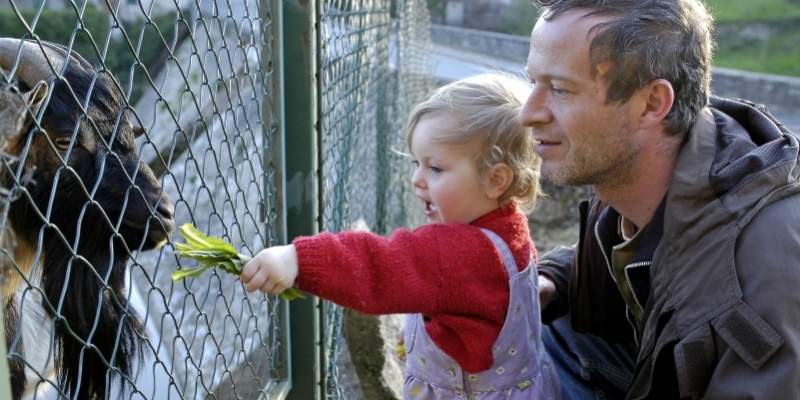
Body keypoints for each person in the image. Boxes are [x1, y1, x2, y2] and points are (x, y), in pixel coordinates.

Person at [521, 0, 800, 399]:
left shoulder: (767, 261)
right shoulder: (633, 174)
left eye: (560, 89)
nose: (528, 113)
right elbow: (647, 257)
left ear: (652, 103)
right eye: (533, 81)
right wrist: (552, 280)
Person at [241, 73, 560, 399]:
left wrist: (298, 259)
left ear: (495, 180)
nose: (416, 179)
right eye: (416, 163)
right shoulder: (510, 231)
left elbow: (380, 263)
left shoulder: (457, 252)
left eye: (435, 168)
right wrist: (430, 335)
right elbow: (477, 318)